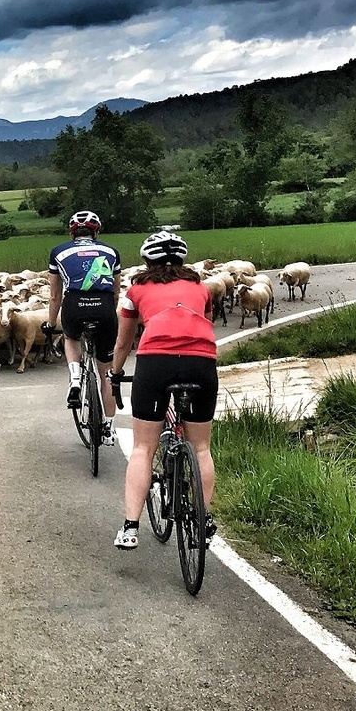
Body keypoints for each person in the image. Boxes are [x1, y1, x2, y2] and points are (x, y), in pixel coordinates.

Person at [108, 231, 218, 550]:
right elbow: (206, 323)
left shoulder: (136, 290)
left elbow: (123, 342)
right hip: (201, 361)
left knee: (143, 448)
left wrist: (116, 373)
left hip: (155, 361)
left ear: (147, 260)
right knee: (201, 447)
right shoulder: (201, 288)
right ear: (182, 259)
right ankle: (203, 518)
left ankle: (130, 527)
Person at [45, 209, 120, 445]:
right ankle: (109, 428)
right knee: (106, 373)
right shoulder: (111, 252)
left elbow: (55, 296)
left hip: (74, 305)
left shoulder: (58, 252)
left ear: (72, 232)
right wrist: (107, 312)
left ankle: (75, 377)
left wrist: (50, 323)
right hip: (104, 307)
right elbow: (116, 292)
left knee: (71, 337)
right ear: (96, 232)